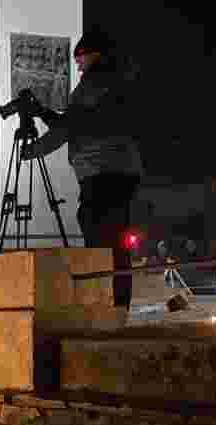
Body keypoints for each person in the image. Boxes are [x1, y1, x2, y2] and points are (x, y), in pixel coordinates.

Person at [21, 28, 143, 310]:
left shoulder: (95, 83)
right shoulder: (110, 80)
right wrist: (43, 113)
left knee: (101, 239)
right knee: (112, 239)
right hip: (117, 171)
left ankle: (111, 304)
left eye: (80, 59)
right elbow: (77, 125)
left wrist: (33, 150)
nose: (77, 66)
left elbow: (69, 128)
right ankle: (118, 301)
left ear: (94, 55)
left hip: (103, 173)